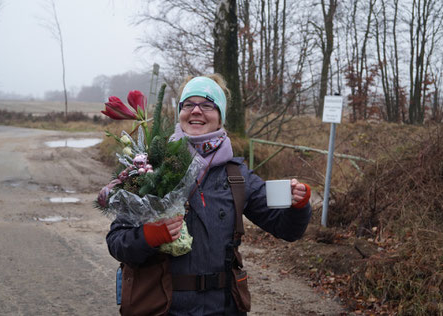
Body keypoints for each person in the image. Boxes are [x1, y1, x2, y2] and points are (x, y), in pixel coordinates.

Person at [106, 74, 312, 315]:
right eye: (189, 105)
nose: (196, 111)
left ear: (220, 116)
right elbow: (117, 242)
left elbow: (287, 230)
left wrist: (299, 203)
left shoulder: (236, 175)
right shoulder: (149, 167)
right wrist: (149, 236)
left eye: (207, 105)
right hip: (161, 306)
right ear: (180, 112)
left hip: (222, 307)